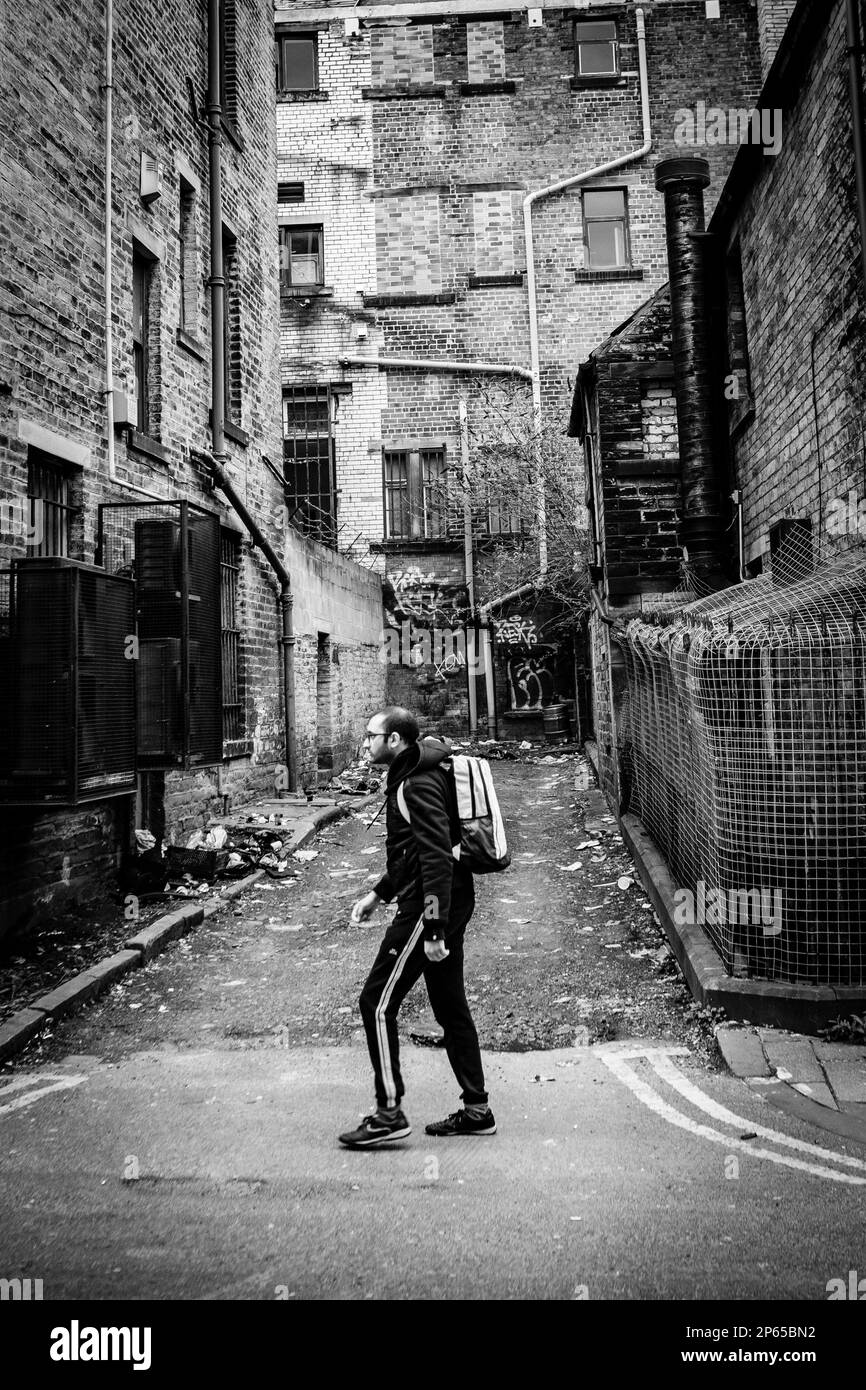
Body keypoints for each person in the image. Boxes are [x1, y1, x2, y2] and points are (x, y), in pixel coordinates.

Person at [338, 706, 495, 1148]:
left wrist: (433, 929)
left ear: (395, 741)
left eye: (372, 736)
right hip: (444, 902)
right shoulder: (413, 772)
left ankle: (389, 1114)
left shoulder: (417, 782)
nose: (366, 743)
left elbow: (435, 859)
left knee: (377, 1003)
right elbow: (414, 852)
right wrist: (377, 894)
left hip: (430, 908)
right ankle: (477, 1111)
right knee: (449, 1005)